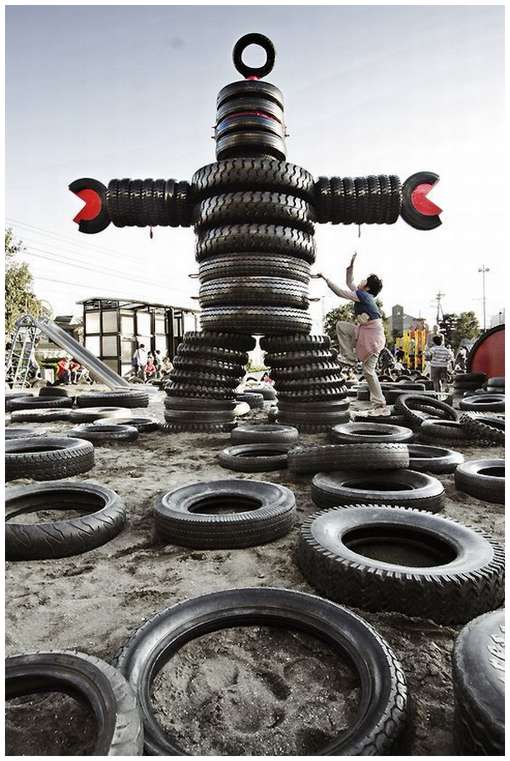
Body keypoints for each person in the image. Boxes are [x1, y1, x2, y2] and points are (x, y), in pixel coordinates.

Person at [314, 253, 387, 413]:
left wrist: (326, 279)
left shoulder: (362, 295)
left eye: (364, 280)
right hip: (364, 333)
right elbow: (349, 282)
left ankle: (380, 404)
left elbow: (340, 292)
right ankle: (348, 357)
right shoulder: (363, 295)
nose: (360, 281)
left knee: (369, 371)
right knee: (341, 326)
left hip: (373, 337)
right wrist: (351, 264)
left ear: (367, 287)